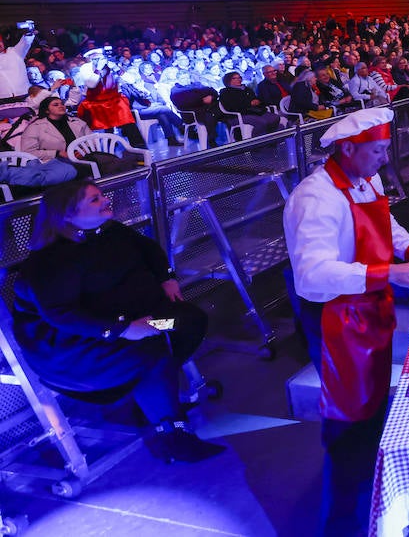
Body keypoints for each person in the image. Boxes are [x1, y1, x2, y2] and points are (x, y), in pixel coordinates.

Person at [282, 108, 409, 534]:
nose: (385, 158)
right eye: (378, 150)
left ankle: (375, 508)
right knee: (348, 431)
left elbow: (387, 226)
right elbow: (311, 276)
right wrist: (388, 274)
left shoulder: (366, 179)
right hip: (335, 321)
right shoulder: (316, 198)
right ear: (347, 149)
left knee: (374, 415)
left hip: (368, 313)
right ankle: (342, 525)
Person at [10, 181, 223, 463]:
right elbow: (60, 315)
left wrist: (166, 277)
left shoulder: (107, 231)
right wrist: (123, 330)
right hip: (75, 347)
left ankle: (148, 387)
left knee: (185, 320)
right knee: (151, 353)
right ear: (68, 216)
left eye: (101, 196)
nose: (105, 200)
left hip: (129, 324)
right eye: (94, 200)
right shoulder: (51, 261)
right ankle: (174, 434)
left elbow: (151, 251)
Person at [219, 71, 284, 136]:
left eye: (239, 77)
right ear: (228, 80)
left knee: (275, 118)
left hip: (254, 111)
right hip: (239, 115)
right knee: (261, 122)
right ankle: (258, 141)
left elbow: (257, 99)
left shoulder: (247, 89)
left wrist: (257, 101)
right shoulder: (226, 93)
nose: (239, 79)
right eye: (235, 78)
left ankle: (271, 138)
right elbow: (231, 107)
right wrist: (249, 104)